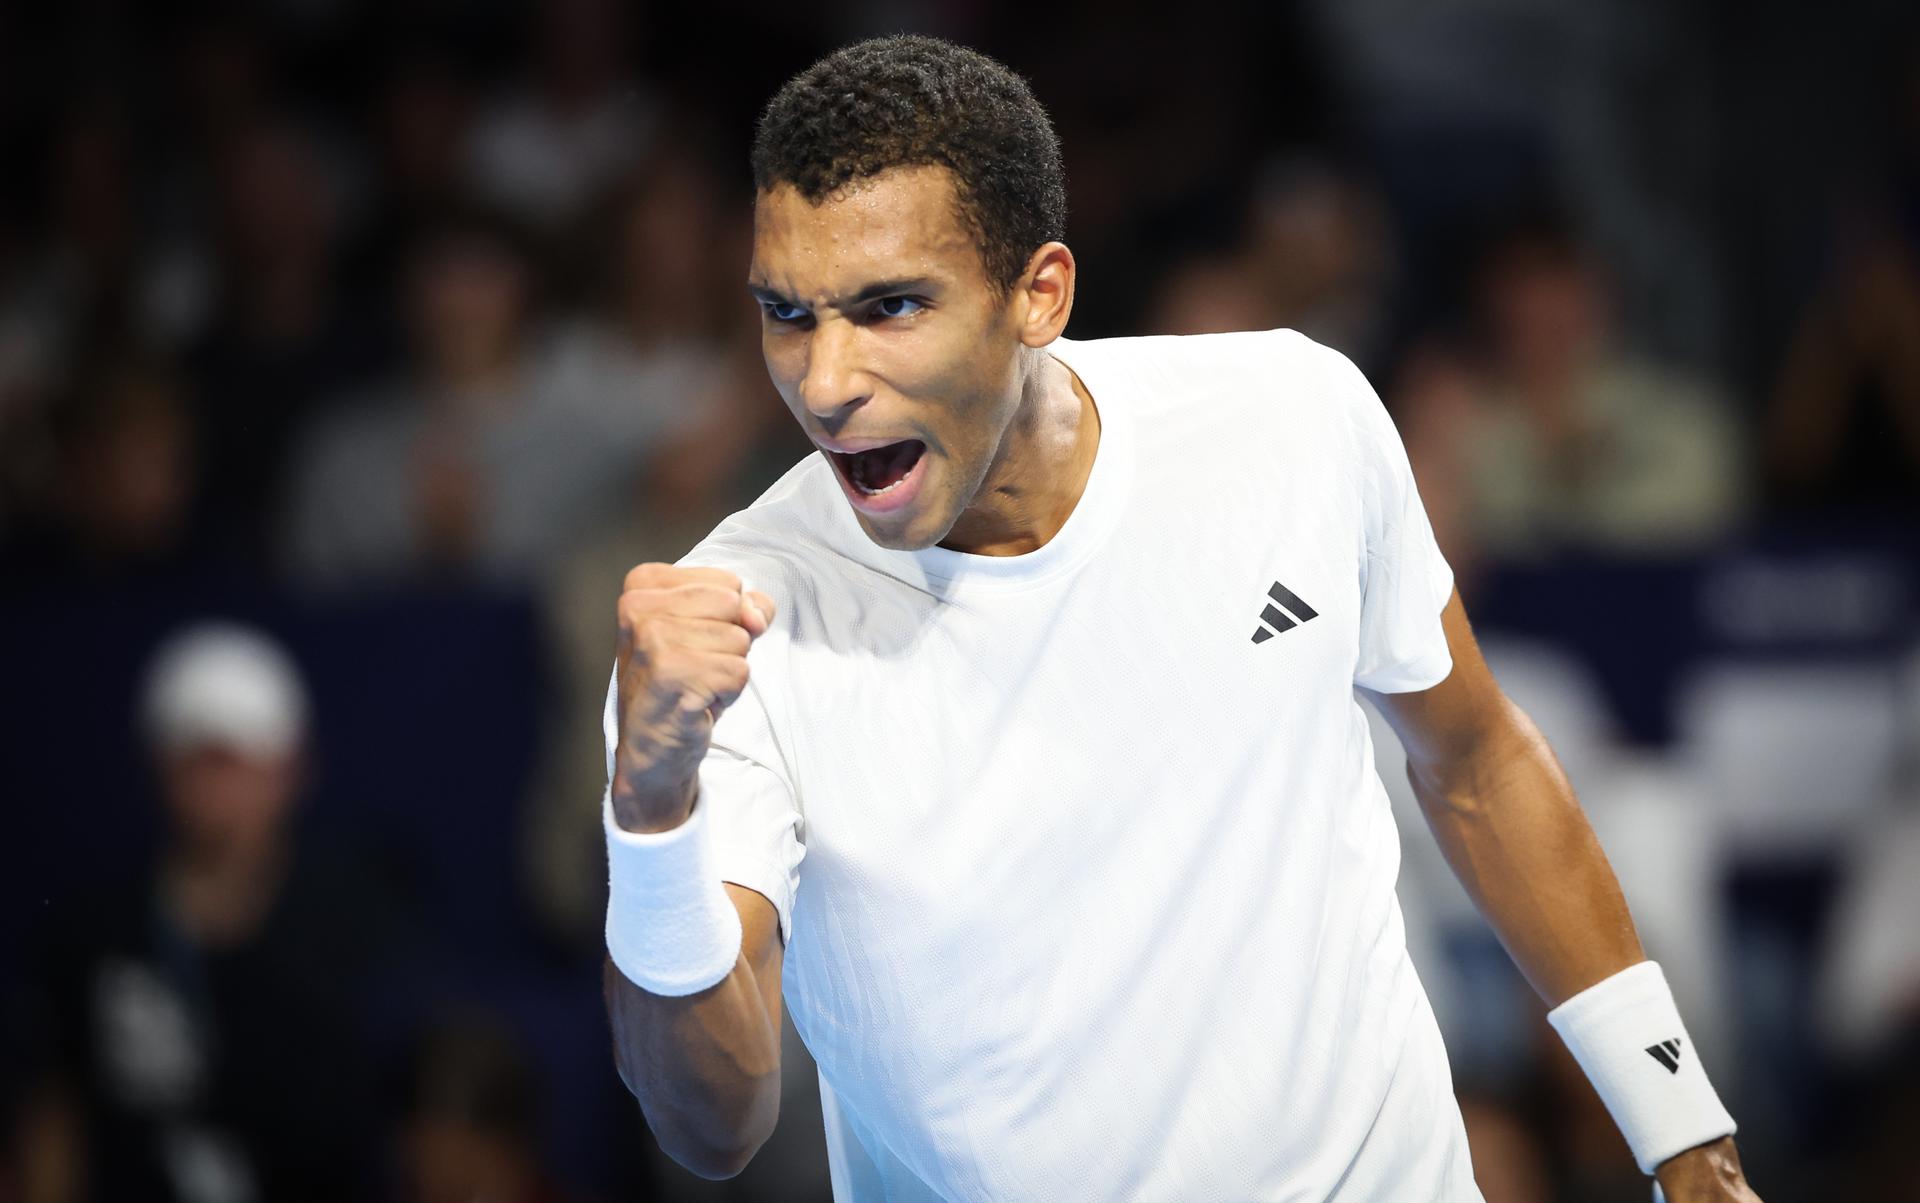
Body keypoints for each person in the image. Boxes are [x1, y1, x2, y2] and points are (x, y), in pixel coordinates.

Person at [598, 35, 1761, 1202]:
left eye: (890, 307)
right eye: (786, 314)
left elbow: (1475, 761)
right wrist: (651, 815)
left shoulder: (1293, 417)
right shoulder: (726, 631)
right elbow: (713, 1127)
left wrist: (1685, 1139)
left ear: (1039, 294)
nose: (823, 382)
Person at [10, 622, 388, 1202]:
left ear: (293, 770)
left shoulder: (357, 931)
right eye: (199, 763)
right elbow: (53, 1111)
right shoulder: (95, 932)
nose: (218, 790)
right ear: (159, 768)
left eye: (241, 764)